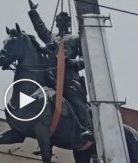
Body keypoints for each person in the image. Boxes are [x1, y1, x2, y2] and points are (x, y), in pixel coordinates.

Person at [27, 0, 93, 140]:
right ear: (56, 23)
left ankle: (88, 129)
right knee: (39, 98)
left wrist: (71, 63)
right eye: (60, 21)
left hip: (70, 79)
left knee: (76, 101)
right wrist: (33, 12)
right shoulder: (51, 38)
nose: (62, 23)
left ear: (69, 23)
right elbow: (40, 27)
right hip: (52, 79)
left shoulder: (76, 39)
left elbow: (86, 60)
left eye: (65, 21)